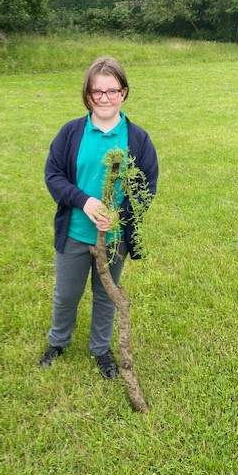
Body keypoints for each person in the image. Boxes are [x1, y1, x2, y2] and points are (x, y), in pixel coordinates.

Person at [40, 56, 158, 379]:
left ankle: (101, 348)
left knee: (107, 294)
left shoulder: (137, 138)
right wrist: (85, 201)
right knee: (66, 294)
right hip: (76, 232)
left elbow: (147, 186)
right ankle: (58, 341)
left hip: (115, 239)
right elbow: (54, 175)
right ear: (87, 94)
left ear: (124, 92)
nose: (104, 98)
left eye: (112, 91)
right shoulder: (71, 133)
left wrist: (119, 216)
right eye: (97, 91)